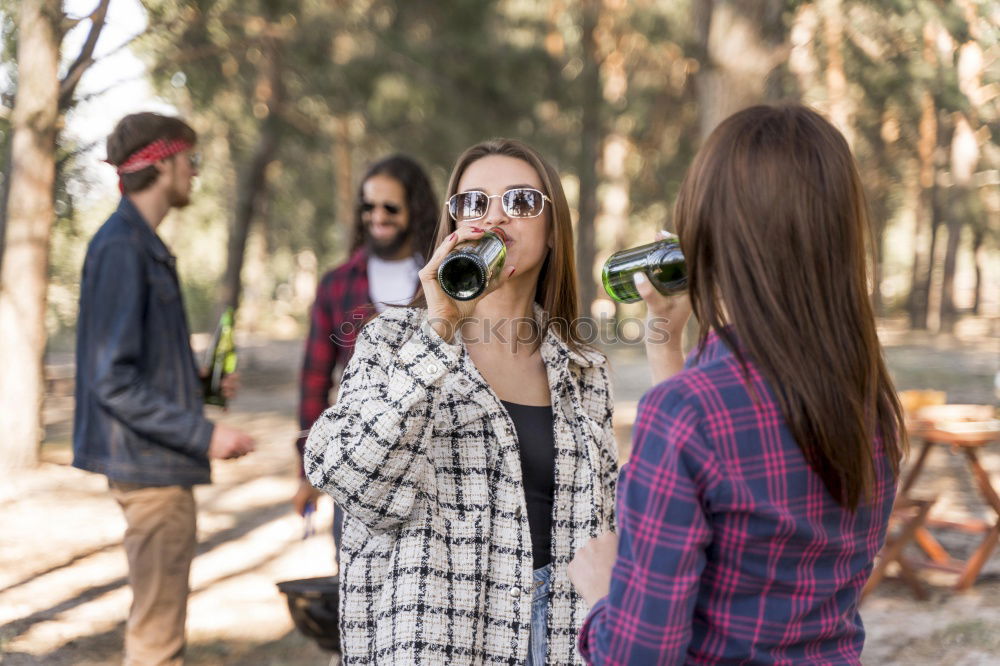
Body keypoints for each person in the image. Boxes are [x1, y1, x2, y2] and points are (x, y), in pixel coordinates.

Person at [305, 138, 684, 665]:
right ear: (453, 227)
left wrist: (669, 341)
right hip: (443, 640)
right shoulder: (393, 341)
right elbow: (349, 478)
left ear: (553, 233)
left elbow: (631, 514)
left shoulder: (584, 370)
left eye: (522, 202)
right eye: (474, 203)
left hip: (561, 640)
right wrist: (440, 328)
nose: (495, 217)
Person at [568, 104, 908, 664]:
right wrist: (666, 347)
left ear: (711, 234)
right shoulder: (869, 402)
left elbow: (638, 655)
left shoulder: (688, 416)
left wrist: (606, 591)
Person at [73, 112, 256, 666]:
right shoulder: (123, 249)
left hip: (155, 465)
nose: (195, 174)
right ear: (162, 163)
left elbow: (132, 365)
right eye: (191, 161)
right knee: (157, 641)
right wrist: (203, 434)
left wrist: (198, 383)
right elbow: (112, 379)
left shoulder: (138, 244)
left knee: (159, 630)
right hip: (150, 472)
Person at [291, 155, 438, 560]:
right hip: (357, 462)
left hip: (433, 464)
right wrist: (306, 470)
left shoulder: (444, 279)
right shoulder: (337, 285)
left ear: (415, 210)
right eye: (368, 207)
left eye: (390, 207)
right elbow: (314, 381)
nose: (377, 216)